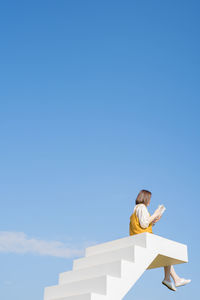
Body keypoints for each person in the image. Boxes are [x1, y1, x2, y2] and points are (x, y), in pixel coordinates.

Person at [129, 189, 191, 291]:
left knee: (166, 254)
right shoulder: (142, 207)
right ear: (146, 198)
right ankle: (172, 279)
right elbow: (144, 224)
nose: (150, 202)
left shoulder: (137, 208)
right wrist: (155, 214)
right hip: (144, 239)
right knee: (167, 251)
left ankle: (173, 279)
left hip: (139, 237)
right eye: (149, 199)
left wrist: (154, 221)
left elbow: (143, 224)